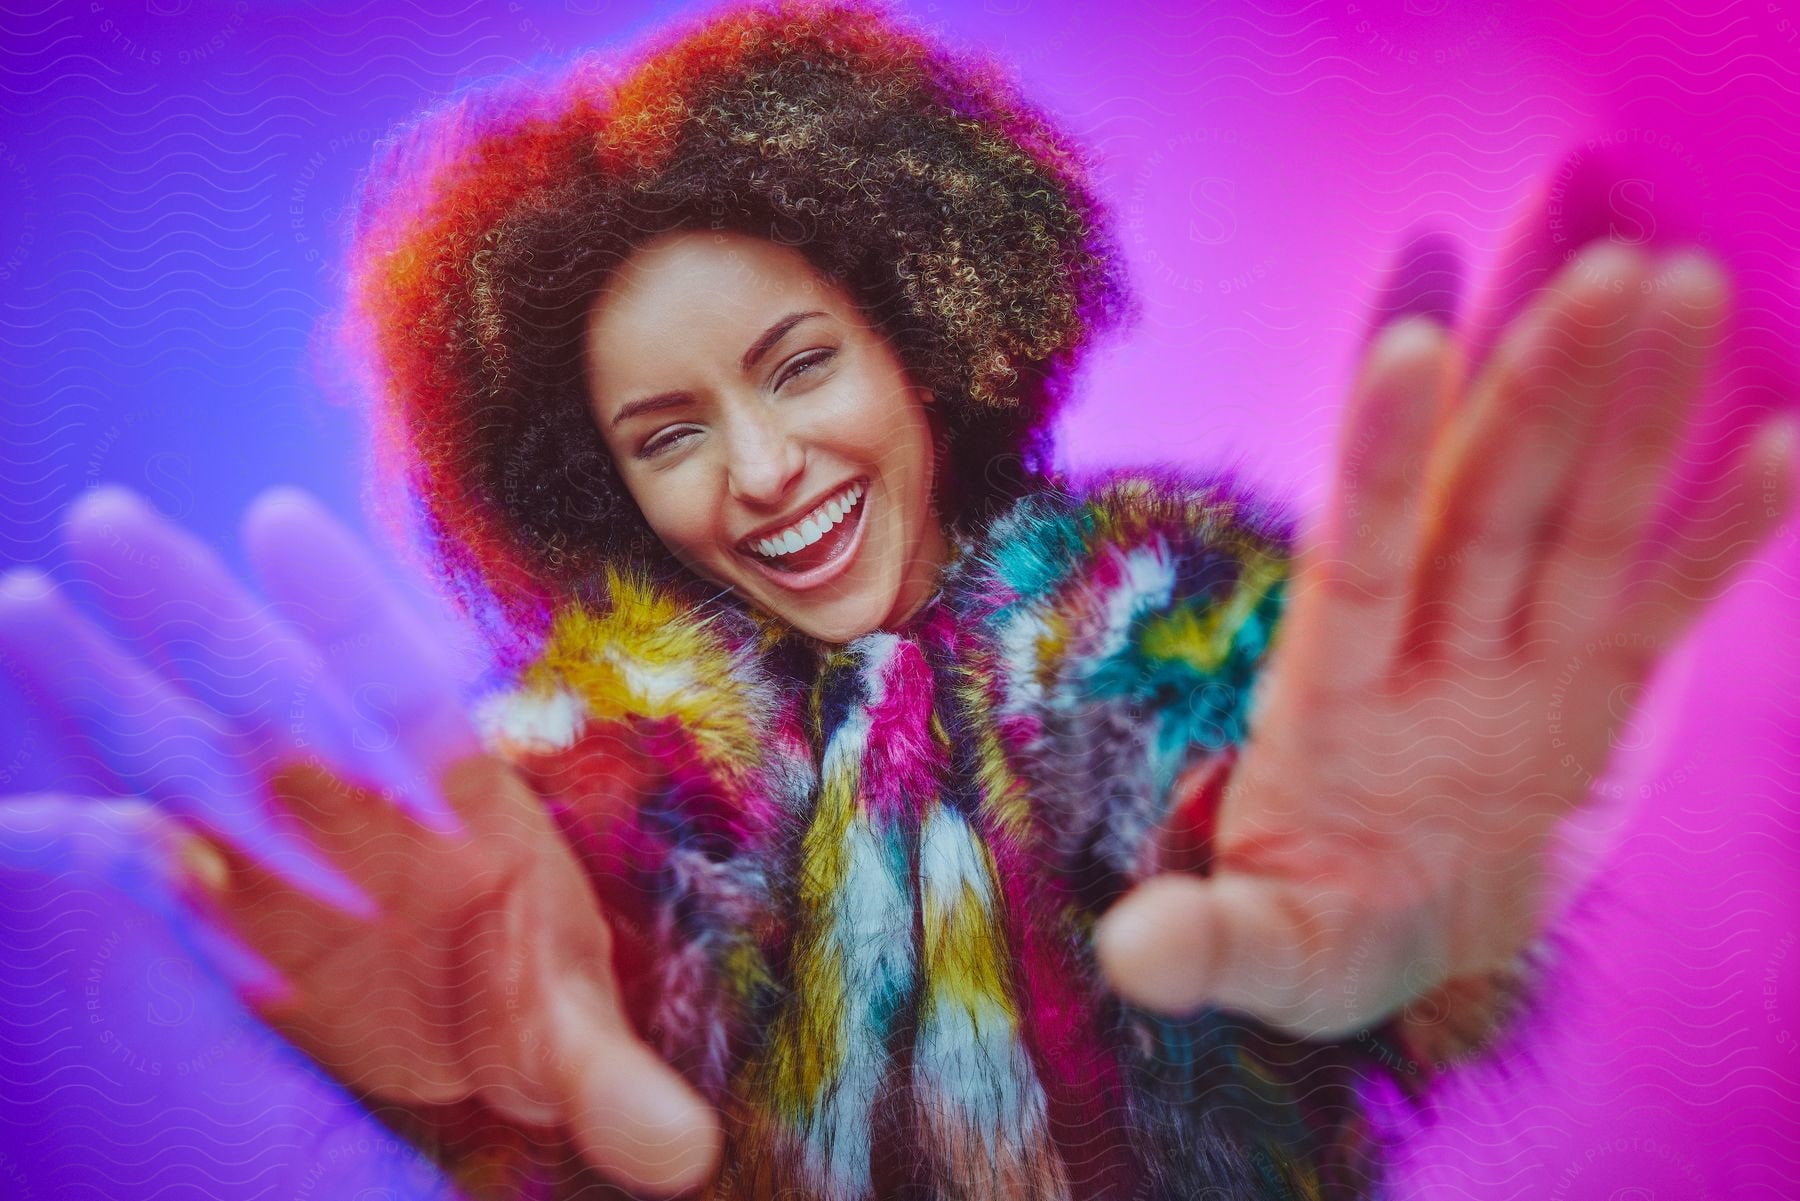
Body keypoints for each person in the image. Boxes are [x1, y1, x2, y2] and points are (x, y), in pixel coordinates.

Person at [1, 1, 1792, 1198]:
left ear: (923, 345)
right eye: (668, 432)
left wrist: (1380, 902)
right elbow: (586, 862)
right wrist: (505, 1075)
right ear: (600, 483)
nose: (763, 468)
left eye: (797, 365)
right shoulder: (613, 755)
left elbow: (1238, 776)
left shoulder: (1140, 615)